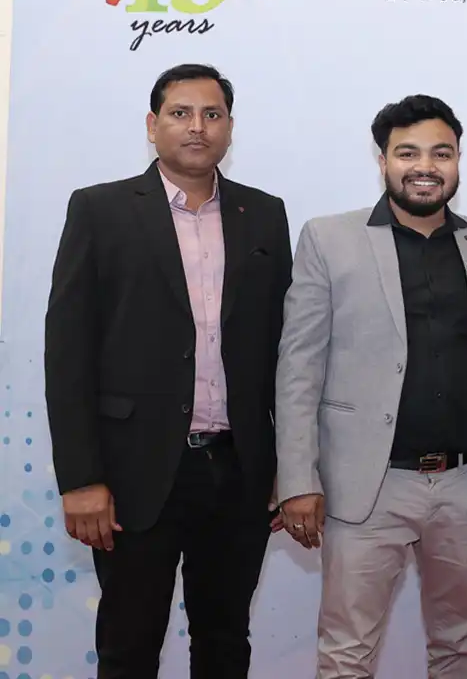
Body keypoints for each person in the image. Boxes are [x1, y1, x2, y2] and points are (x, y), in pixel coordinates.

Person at [43, 63, 292, 678]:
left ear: (229, 127)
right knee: (129, 646)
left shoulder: (264, 214)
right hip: (134, 473)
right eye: (181, 113)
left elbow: (284, 350)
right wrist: (80, 478)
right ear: (153, 126)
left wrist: (289, 466)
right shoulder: (100, 209)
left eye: (212, 114)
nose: (197, 126)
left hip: (238, 468)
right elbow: (68, 351)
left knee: (225, 641)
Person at [275, 94, 467, 679]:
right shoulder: (328, 238)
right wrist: (298, 479)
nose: (425, 166)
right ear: (382, 160)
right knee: (347, 652)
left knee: (461, 641)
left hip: (465, 480)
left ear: (458, 161)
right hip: (366, 486)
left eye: (441, 153)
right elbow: (298, 366)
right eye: (408, 153)